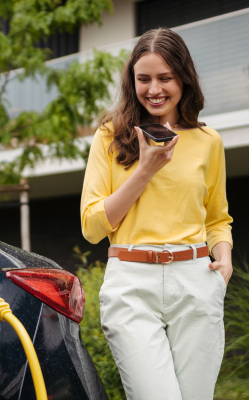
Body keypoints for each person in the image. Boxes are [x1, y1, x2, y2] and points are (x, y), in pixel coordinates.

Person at [80, 28, 233, 400]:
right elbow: (92, 226)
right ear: (132, 81)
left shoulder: (208, 141)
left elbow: (217, 217)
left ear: (184, 78)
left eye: (165, 78)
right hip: (131, 284)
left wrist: (224, 259)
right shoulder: (110, 135)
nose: (154, 89)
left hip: (195, 279)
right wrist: (145, 168)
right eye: (143, 79)